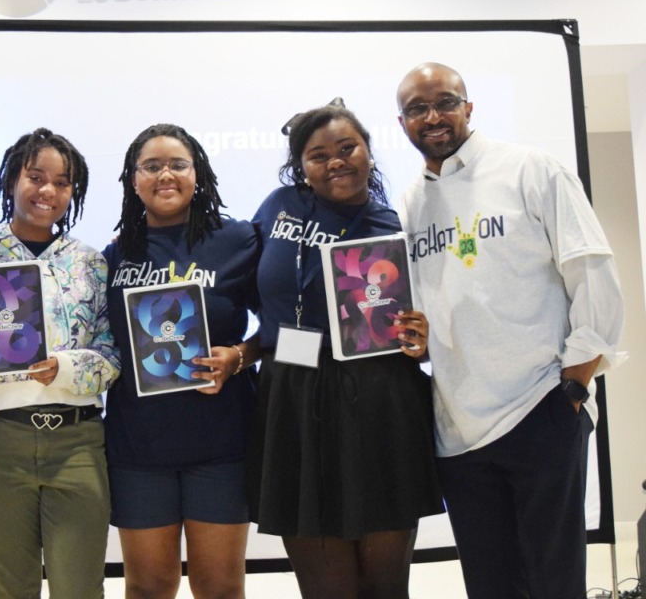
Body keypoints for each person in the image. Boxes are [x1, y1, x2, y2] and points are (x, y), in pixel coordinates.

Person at [396, 62, 627, 599]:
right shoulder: (412, 202)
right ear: (402, 122)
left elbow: (592, 275)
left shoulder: (531, 169)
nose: (433, 117)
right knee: (490, 587)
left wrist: (571, 388)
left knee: (555, 584)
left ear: (468, 107)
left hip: (539, 409)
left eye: (445, 102)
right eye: (417, 109)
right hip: (456, 432)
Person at [248, 100, 444, 599]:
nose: (336, 161)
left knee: (385, 585)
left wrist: (423, 338)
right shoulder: (277, 208)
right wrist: (244, 353)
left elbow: (431, 314)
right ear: (301, 167)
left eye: (347, 147)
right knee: (327, 589)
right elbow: (256, 302)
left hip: (381, 400)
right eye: (318, 155)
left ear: (369, 151)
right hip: (293, 393)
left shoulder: (395, 226)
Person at [0, 128, 120, 599]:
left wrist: (68, 368)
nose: (47, 191)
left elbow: (114, 354)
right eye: (35, 177)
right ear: (12, 179)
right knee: (11, 590)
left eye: (62, 181)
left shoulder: (90, 264)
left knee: (80, 590)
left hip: (77, 444)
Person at [103, 124, 260, 599]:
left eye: (177, 164)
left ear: (199, 173)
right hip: (138, 448)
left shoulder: (238, 240)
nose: (164, 174)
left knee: (219, 587)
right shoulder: (114, 256)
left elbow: (275, 327)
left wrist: (237, 356)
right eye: (151, 166)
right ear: (134, 179)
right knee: (148, 587)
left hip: (221, 442)